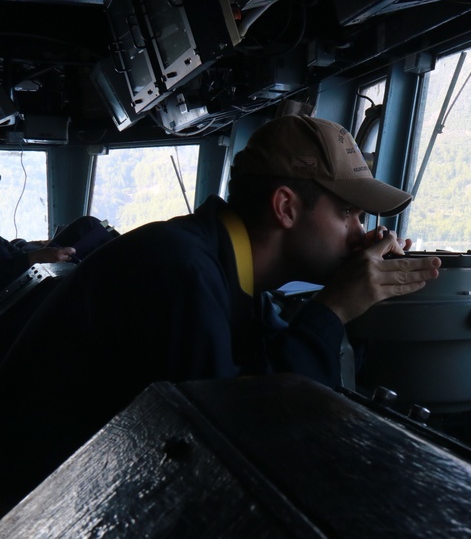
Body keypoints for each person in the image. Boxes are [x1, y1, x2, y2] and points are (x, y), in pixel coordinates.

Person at [0, 115, 441, 511]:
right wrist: (334, 307)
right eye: (348, 213)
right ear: (285, 207)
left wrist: (359, 304)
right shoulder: (179, 269)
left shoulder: (230, 273)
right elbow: (232, 442)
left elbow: (274, 380)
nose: (360, 234)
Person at [0, 235, 77, 288]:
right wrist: (36, 257)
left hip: (27, 272)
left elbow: (16, 252)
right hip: (16, 299)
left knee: (84, 224)